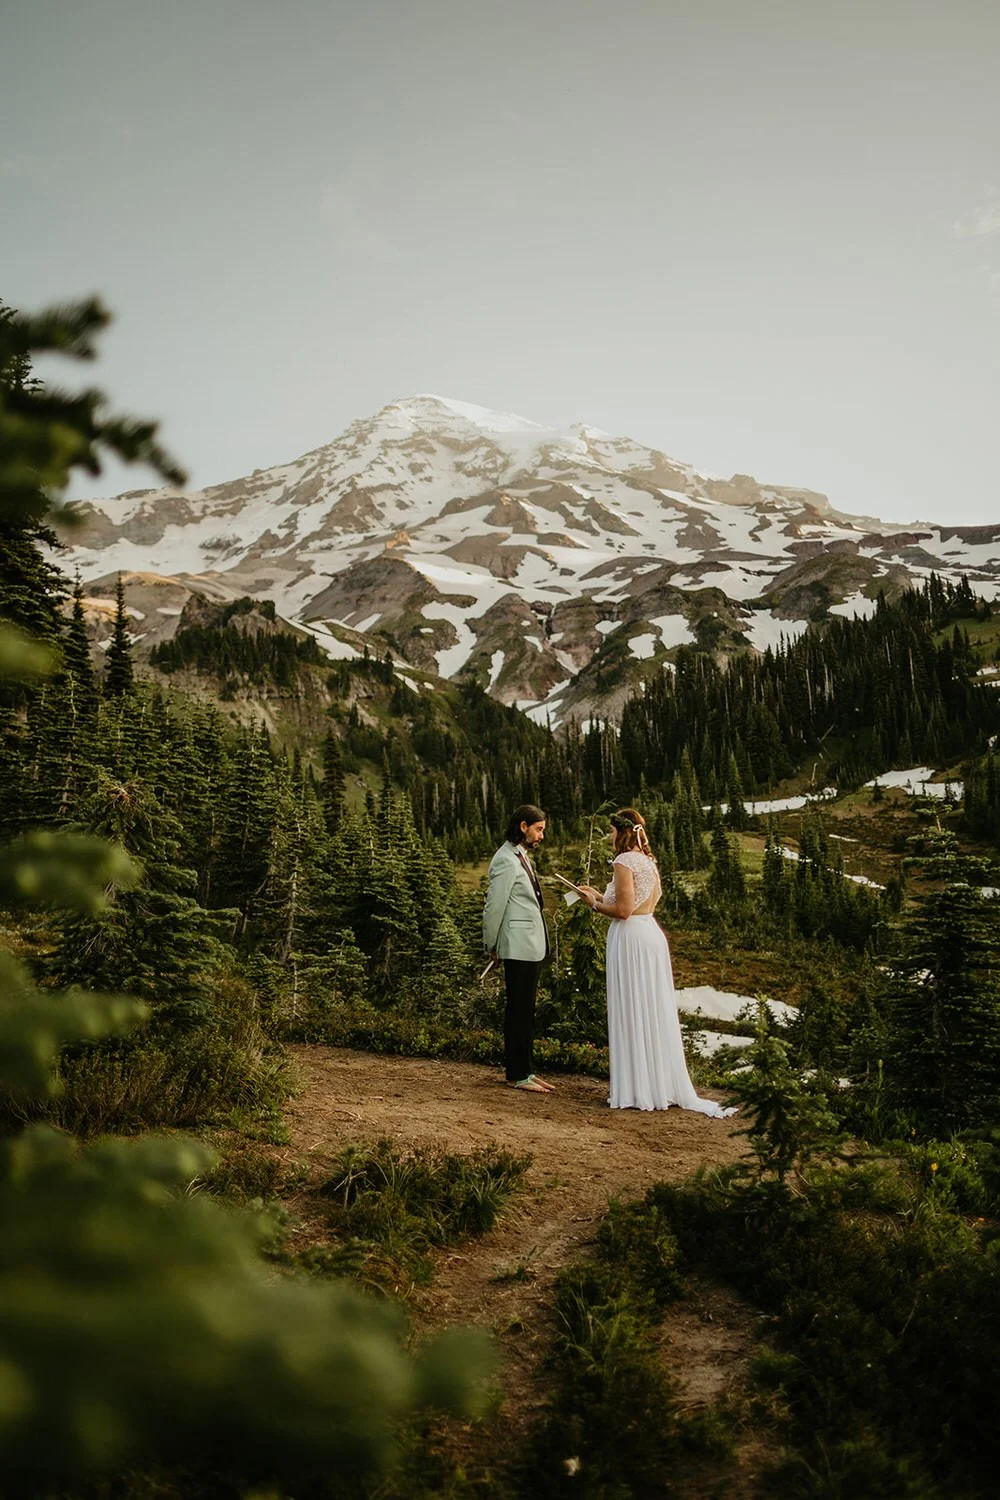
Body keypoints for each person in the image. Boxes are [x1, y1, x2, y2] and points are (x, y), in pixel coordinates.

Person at [578, 808, 736, 1117]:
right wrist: (597, 893)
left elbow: (623, 910)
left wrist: (594, 905)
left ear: (621, 832)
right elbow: (638, 904)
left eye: (611, 831)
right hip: (649, 933)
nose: (609, 837)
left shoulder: (624, 861)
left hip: (631, 939)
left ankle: (638, 1089)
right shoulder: (647, 861)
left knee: (633, 1006)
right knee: (650, 1008)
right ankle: (656, 1083)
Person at [483, 804, 555, 1094]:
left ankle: (526, 1070)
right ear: (523, 826)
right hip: (517, 946)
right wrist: (492, 944)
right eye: (538, 830)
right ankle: (517, 1074)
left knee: (526, 1010)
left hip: (529, 945)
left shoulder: (520, 855)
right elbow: (494, 906)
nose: (541, 836)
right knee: (518, 1010)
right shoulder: (505, 860)